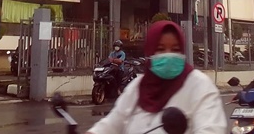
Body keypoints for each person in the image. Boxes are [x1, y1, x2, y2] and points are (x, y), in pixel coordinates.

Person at [87, 21, 227, 134]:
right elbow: (110, 124)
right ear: (150, 52)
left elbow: (211, 128)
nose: (168, 55)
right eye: (160, 49)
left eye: (175, 49)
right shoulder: (137, 88)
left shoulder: (199, 85)